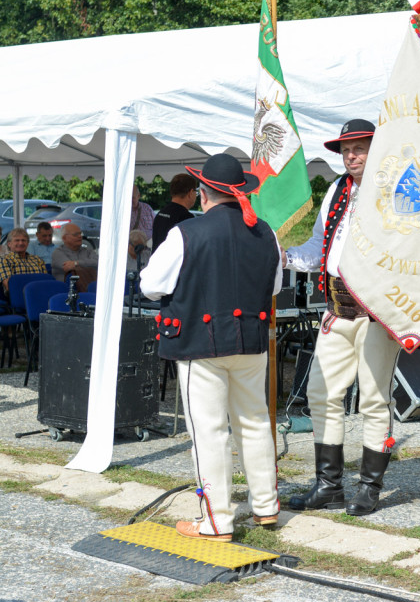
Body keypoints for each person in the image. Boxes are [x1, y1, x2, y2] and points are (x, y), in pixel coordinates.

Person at [140, 153, 282, 541]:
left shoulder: (187, 233)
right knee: (253, 423)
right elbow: (274, 289)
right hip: (250, 341)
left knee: (210, 431)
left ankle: (217, 519)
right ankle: (266, 506)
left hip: (199, 345)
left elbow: (150, 285)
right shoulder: (266, 232)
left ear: (203, 194)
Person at [284, 119, 402, 516]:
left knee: (373, 400)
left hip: (376, 314)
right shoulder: (336, 189)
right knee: (320, 393)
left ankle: (369, 487)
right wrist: (283, 255)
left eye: (360, 148)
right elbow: (320, 246)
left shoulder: (394, 189)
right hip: (337, 309)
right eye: (346, 150)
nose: (351, 156)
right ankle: (329, 486)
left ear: (376, 149)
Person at [153, 173, 199, 251]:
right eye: (196, 192)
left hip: (157, 260)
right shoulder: (186, 217)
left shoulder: (161, 213)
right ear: (191, 193)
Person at [51, 223, 99, 290]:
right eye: (75, 234)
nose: (80, 236)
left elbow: (98, 262)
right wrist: (88, 264)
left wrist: (76, 263)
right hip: (66, 291)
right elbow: (68, 267)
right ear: (64, 238)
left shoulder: (88, 251)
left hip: (89, 287)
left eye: (80, 234)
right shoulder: (58, 253)